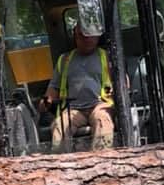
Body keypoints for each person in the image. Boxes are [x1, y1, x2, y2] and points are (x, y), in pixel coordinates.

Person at [41, 24, 114, 152]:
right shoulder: (64, 60)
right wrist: (46, 102)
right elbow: (53, 89)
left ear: (97, 36)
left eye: (89, 35)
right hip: (73, 110)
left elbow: (123, 83)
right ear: (75, 36)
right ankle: (62, 165)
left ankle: (101, 162)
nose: (86, 38)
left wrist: (110, 103)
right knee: (60, 125)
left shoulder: (107, 57)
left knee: (102, 121)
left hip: (99, 106)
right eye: (81, 35)